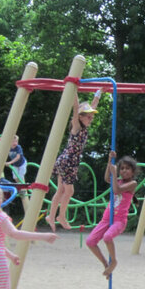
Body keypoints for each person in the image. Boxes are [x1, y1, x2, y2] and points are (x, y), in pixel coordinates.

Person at [46, 90, 101, 231]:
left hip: (67, 161)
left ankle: (51, 216)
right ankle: (61, 216)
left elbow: (93, 106)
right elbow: (76, 107)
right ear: (80, 117)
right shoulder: (76, 126)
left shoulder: (83, 127)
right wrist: (74, 89)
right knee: (69, 191)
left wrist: (98, 93)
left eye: (91, 117)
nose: (90, 119)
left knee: (60, 191)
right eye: (88, 117)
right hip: (67, 161)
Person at [86, 151, 138, 278]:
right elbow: (106, 178)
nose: (124, 171)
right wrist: (110, 160)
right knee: (90, 242)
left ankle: (113, 260)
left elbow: (117, 190)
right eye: (122, 168)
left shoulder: (132, 184)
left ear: (133, 172)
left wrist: (114, 174)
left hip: (119, 220)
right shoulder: (117, 180)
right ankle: (106, 264)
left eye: (127, 169)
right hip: (106, 218)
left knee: (107, 237)